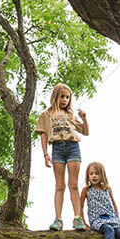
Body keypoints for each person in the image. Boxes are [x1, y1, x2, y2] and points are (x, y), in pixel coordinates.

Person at [35, 83, 89, 231]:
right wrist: (45, 154)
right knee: (60, 185)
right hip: (57, 148)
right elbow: (44, 135)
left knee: (73, 184)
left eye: (67, 97)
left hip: (73, 147)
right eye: (62, 96)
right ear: (55, 97)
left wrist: (84, 119)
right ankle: (58, 219)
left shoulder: (70, 114)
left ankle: (78, 218)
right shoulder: (47, 114)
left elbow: (85, 131)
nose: (65, 100)